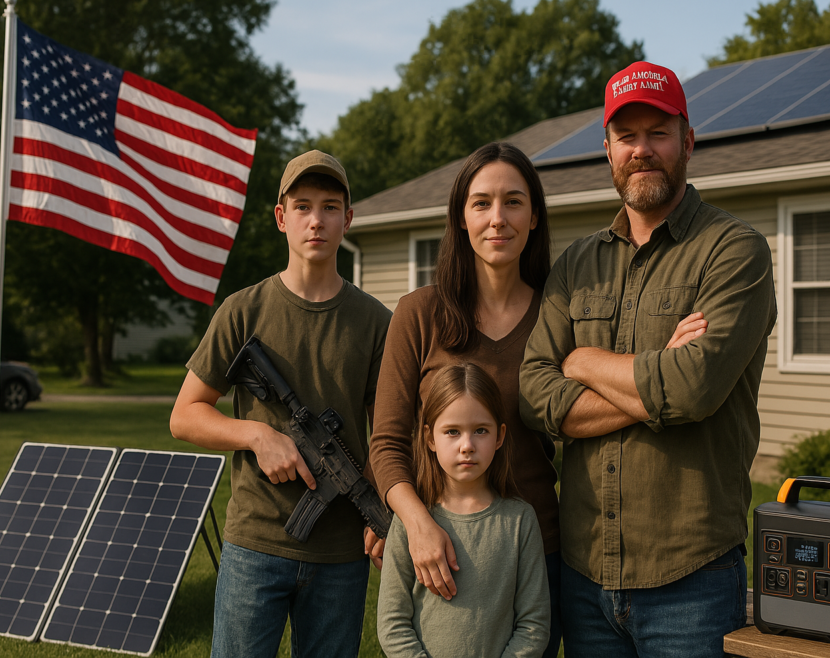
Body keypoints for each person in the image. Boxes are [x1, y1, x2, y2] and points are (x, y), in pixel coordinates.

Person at [519, 60, 777, 657]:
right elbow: (534, 392)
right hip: (584, 576)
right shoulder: (577, 264)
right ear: (606, 150)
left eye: (658, 133)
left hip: (691, 578)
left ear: (688, 141)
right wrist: (657, 373)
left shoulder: (734, 251)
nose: (642, 150)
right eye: (626, 136)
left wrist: (581, 361)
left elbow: (695, 390)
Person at [169, 150, 392, 658]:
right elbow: (185, 416)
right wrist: (257, 435)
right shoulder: (243, 310)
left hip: (341, 553)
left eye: (331, 207)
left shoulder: (376, 321)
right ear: (281, 217)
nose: (317, 220)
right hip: (256, 543)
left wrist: (383, 514)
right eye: (304, 206)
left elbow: (387, 433)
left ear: (348, 219)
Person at [367, 142, 565, 656]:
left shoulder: (560, 315)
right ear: (460, 217)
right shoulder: (418, 314)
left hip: (533, 553)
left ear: (535, 216)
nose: (497, 218)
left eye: (514, 201)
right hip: (439, 549)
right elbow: (387, 443)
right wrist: (416, 525)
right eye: (481, 203)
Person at [378, 363, 550, 658]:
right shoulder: (411, 522)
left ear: (499, 436)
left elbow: (534, 624)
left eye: (480, 430)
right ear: (430, 438)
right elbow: (392, 624)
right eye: (453, 432)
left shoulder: (520, 521)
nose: (467, 445)